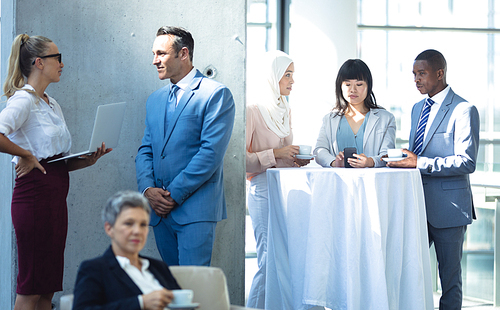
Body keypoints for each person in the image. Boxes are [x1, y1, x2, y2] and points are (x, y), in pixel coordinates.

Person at [0, 34, 110, 310]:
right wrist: (24, 154)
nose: (62, 64)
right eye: (57, 58)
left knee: (48, 287)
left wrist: (87, 160)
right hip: (34, 199)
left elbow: (55, 159)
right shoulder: (23, 100)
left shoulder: (51, 102)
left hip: (54, 200)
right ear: (39, 62)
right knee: (31, 287)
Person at [387, 49, 479, 310]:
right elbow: (419, 149)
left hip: (449, 208)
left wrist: (419, 162)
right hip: (415, 204)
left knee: (449, 279)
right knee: (405, 272)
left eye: (422, 73)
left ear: (440, 73)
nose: (416, 79)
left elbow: (466, 161)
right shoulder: (418, 108)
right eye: (414, 74)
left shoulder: (464, 109)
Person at [135, 26, 235, 267]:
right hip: (159, 212)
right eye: (153, 53)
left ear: (183, 53)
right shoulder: (155, 99)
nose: (154, 61)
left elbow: (210, 154)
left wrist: (173, 195)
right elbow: (146, 150)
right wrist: (148, 190)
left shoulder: (216, 94)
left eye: (161, 53)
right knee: (172, 290)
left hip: (195, 211)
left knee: (195, 291)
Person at [246, 50, 310, 308]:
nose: (292, 81)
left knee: (284, 258)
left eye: (292, 75)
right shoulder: (252, 110)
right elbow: (241, 160)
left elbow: (285, 153)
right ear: (272, 77)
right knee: (267, 258)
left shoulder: (285, 108)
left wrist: (295, 158)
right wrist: (276, 153)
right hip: (262, 189)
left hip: (286, 187)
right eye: (287, 75)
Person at [72, 191, 181, 310]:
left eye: (143, 225)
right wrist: (140, 303)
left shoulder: (159, 267)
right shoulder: (95, 269)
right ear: (109, 229)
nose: (137, 231)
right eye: (129, 224)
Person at [314, 59, 396, 168]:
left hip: (371, 180)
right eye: (347, 84)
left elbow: (387, 155)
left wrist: (370, 161)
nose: (353, 90)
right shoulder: (329, 119)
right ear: (340, 86)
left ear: (368, 86)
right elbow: (319, 150)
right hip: (338, 181)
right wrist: (335, 162)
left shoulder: (386, 118)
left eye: (359, 84)